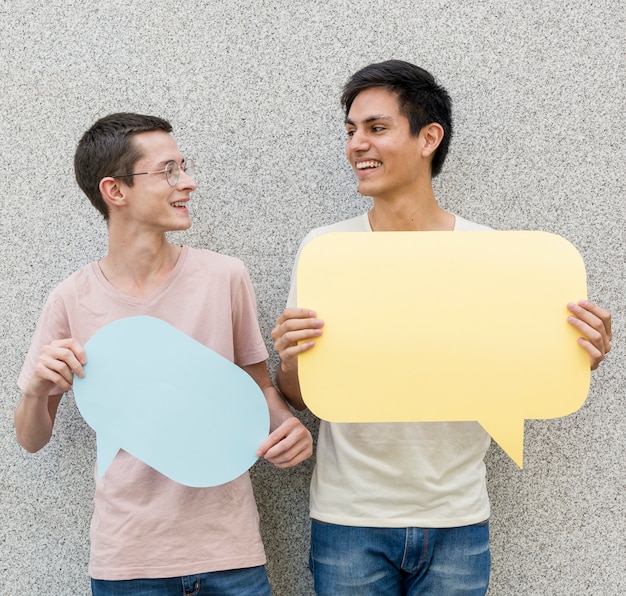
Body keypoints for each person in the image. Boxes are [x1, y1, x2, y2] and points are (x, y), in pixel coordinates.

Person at [271, 60, 612, 595]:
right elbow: (302, 395)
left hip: (458, 516)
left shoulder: (492, 254)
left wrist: (573, 356)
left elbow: (517, 372)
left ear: (429, 137)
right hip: (349, 518)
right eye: (351, 131)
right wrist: (292, 361)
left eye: (376, 128)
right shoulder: (325, 251)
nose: (356, 145)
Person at [15, 112, 313, 595]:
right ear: (115, 191)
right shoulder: (71, 298)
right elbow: (31, 439)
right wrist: (34, 390)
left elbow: (257, 386)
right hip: (128, 561)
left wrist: (287, 428)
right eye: (169, 171)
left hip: (229, 553)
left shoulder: (226, 277)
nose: (188, 183)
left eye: (184, 167)